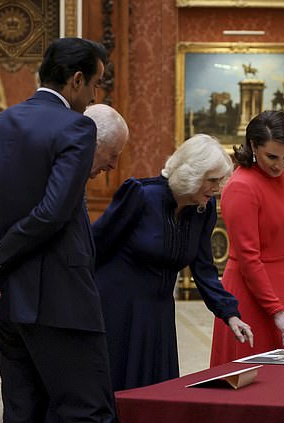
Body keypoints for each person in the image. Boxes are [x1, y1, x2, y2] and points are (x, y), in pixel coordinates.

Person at [0, 38, 117, 422]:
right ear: (77, 80)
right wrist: (1, 252)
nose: (94, 95)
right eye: (96, 84)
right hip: (64, 302)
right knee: (87, 411)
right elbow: (54, 212)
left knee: (22, 412)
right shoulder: (77, 128)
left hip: (9, 305)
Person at [92, 133, 254, 391]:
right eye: (212, 180)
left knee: (156, 391)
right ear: (191, 174)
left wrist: (230, 314)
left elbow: (204, 268)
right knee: (117, 387)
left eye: (221, 181)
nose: (217, 188)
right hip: (118, 307)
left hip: (159, 313)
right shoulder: (141, 195)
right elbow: (96, 245)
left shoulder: (204, 209)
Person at [210, 110, 284, 366]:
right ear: (253, 145)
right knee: (253, 374)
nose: (280, 164)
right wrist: (276, 311)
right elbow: (249, 258)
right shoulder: (241, 186)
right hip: (249, 293)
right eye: (271, 156)